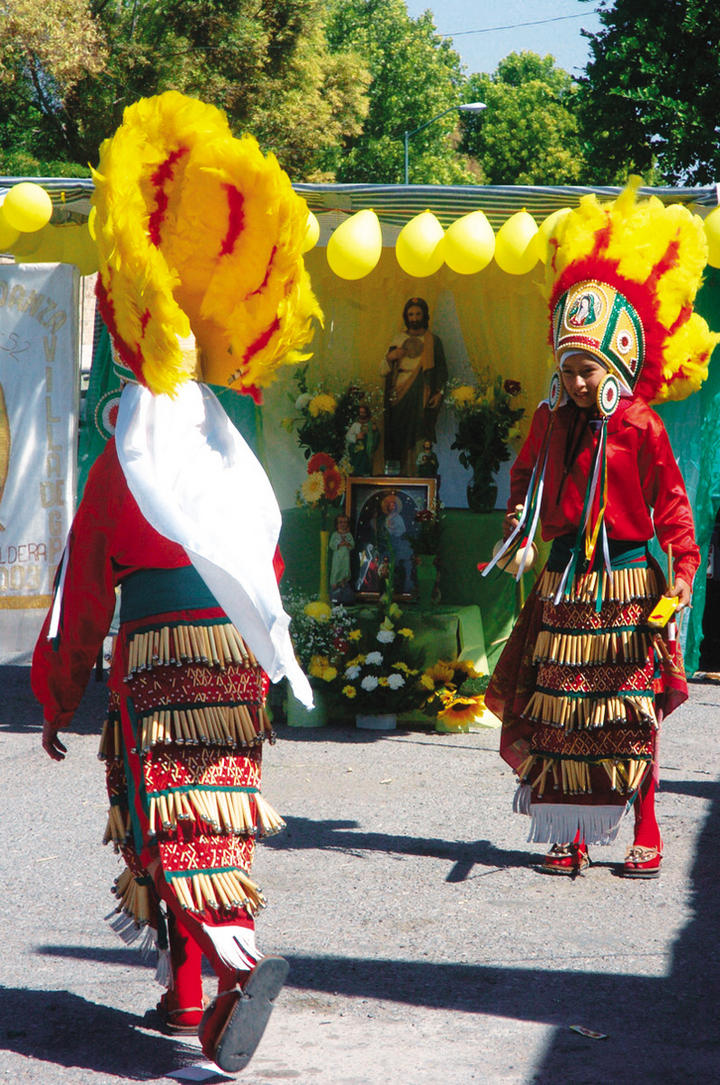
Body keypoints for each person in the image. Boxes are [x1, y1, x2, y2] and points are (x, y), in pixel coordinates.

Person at [31, 91, 322, 1073]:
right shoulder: (228, 450)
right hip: (231, 658)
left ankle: (222, 981)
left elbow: (83, 588)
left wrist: (57, 691)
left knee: (165, 813)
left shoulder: (124, 458)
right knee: (213, 807)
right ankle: (190, 982)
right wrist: (272, 653)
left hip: (157, 659)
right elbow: (268, 561)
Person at [484, 182, 718, 880]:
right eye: (569, 370)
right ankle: (569, 832)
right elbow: (524, 483)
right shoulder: (549, 422)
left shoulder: (642, 427)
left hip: (627, 583)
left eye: (588, 370)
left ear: (615, 366)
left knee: (625, 712)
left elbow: (675, 510)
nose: (579, 383)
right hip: (564, 582)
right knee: (562, 709)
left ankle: (644, 828)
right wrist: (518, 527)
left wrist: (680, 576)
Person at [380, 297, 447, 475]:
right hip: (398, 393)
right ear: (406, 316)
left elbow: (441, 370)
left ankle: (419, 475)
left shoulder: (433, 341)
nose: (415, 318)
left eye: (418, 314)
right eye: (411, 314)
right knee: (397, 435)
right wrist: (391, 357)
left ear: (424, 315)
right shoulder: (398, 339)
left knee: (419, 434)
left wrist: (439, 392)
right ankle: (398, 476)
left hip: (421, 393)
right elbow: (383, 369)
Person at [345, 402, 380, 476]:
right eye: (360, 412)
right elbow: (348, 436)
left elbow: (376, 436)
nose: (362, 414)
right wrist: (356, 437)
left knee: (365, 457)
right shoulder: (355, 424)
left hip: (367, 447)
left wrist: (374, 431)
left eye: (363, 412)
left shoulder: (370, 424)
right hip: (357, 448)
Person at [329, 513, 355, 603]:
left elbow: (352, 545)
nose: (343, 524)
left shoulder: (348, 535)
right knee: (336, 571)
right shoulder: (335, 535)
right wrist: (339, 544)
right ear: (337, 524)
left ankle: (344, 588)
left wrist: (347, 544)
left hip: (345, 558)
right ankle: (335, 592)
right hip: (337, 559)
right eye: (340, 522)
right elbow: (332, 545)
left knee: (345, 571)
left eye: (345, 522)